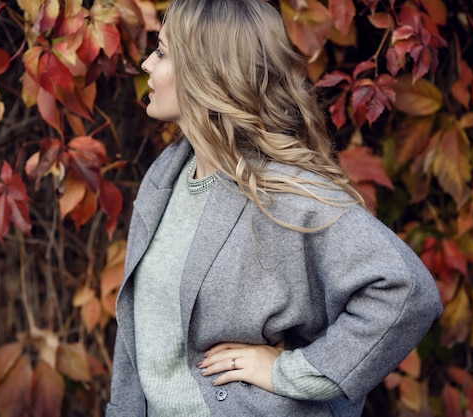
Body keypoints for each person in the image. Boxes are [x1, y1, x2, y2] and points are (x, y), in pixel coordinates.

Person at [106, 0, 443, 416]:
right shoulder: (165, 177)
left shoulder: (281, 191)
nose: (145, 66)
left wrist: (294, 372)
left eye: (161, 53)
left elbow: (405, 291)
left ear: (206, 70)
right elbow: (140, 336)